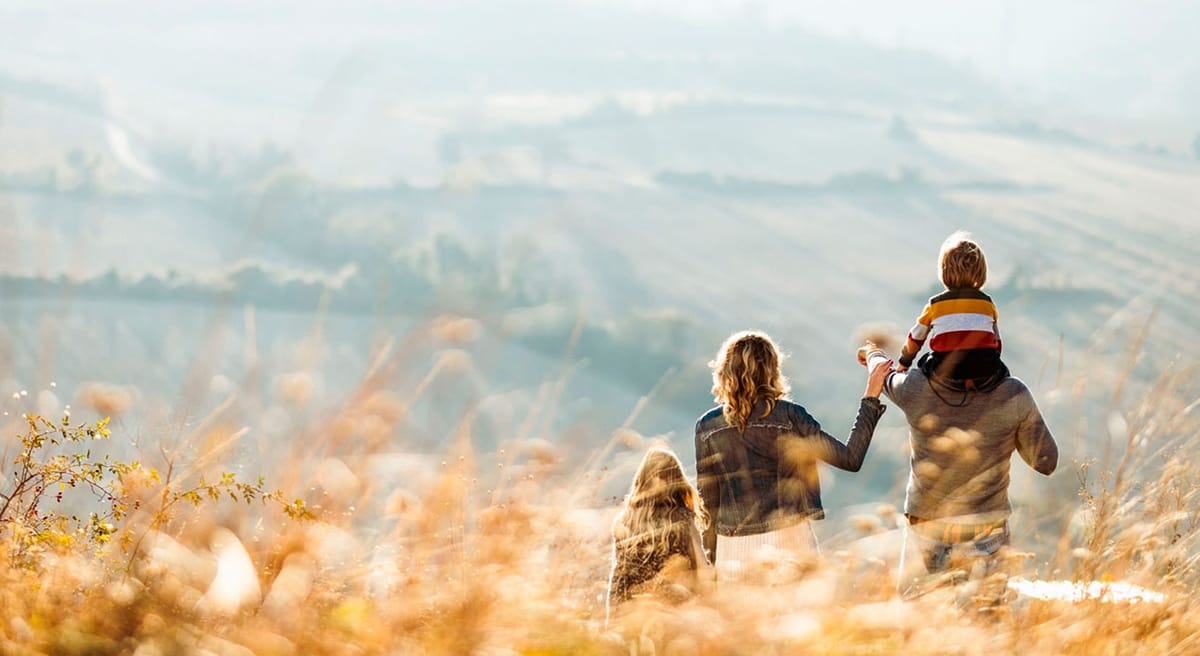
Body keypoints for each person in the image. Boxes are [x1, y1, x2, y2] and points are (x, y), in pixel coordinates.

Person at [858, 342, 1057, 599]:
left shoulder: (915, 386)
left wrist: (871, 351)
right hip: (986, 530)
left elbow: (882, 372)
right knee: (985, 624)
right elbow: (1045, 462)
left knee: (918, 626)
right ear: (994, 343)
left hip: (925, 528)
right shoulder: (1012, 393)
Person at [695, 330, 891, 582]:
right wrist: (871, 395)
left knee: (744, 621)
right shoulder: (791, 417)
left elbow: (708, 501)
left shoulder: (707, 426)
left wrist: (713, 557)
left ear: (724, 371)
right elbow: (850, 459)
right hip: (790, 538)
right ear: (772, 371)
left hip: (731, 549)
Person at [607, 446, 710, 624]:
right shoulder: (683, 519)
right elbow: (702, 570)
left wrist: (611, 620)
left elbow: (618, 577)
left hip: (630, 613)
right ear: (676, 481)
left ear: (641, 480)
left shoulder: (623, 521)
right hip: (673, 612)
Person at [897, 232, 1007, 385]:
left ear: (944, 271)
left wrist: (904, 363)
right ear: (981, 272)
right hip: (984, 368)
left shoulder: (935, 305)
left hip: (944, 370)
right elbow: (996, 342)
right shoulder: (987, 303)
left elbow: (915, 339)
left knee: (925, 361)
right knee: (1003, 371)